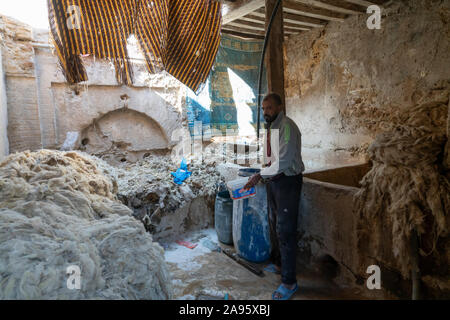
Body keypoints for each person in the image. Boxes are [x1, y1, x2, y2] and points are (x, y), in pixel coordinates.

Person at [243, 92, 305, 300]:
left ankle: (289, 282)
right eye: (263, 108)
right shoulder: (271, 128)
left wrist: (260, 175)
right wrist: (263, 172)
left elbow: (285, 161)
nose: (265, 112)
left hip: (287, 181)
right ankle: (279, 264)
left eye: (269, 108)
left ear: (279, 107)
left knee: (285, 230)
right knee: (275, 223)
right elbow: (270, 158)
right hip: (274, 181)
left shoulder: (286, 126)